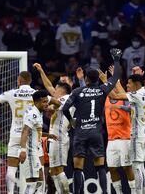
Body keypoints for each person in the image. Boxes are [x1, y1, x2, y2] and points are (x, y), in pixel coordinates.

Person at [62, 48, 121, 194]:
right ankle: (105, 193)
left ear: (86, 79)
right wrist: (117, 60)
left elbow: (64, 108)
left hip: (81, 132)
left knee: (77, 167)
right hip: (96, 132)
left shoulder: (77, 91)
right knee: (100, 167)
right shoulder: (102, 90)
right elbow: (115, 77)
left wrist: (72, 120)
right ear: (97, 79)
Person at [0, 72, 35, 194]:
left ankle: (10, 192)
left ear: (19, 80)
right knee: (33, 170)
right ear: (30, 81)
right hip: (31, 135)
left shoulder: (11, 93)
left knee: (11, 169)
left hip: (15, 134)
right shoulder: (36, 94)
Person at [34, 63, 83, 193]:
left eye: (56, 88)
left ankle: (66, 192)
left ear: (62, 90)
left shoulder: (68, 98)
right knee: (53, 170)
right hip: (54, 138)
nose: (54, 89)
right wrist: (41, 71)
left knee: (59, 169)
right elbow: (48, 86)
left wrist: (44, 98)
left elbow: (54, 102)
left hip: (61, 138)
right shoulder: (61, 96)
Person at [108, 74, 145, 194]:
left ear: (136, 84)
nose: (127, 85)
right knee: (141, 167)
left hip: (137, 135)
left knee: (137, 167)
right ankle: (143, 192)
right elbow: (133, 108)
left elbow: (115, 95)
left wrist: (105, 82)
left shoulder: (136, 94)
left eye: (129, 83)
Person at [98, 67, 136, 194]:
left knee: (127, 167)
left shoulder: (125, 97)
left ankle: (134, 192)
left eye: (112, 84)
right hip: (111, 139)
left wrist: (116, 79)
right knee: (112, 168)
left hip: (125, 138)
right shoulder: (105, 100)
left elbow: (128, 106)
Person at [19, 90, 58, 194]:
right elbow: (25, 131)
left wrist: (48, 135)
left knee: (40, 183)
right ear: (37, 102)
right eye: (44, 102)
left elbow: (35, 131)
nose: (47, 105)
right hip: (30, 152)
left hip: (36, 151)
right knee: (32, 184)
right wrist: (23, 150)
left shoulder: (38, 113)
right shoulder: (33, 114)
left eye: (47, 102)